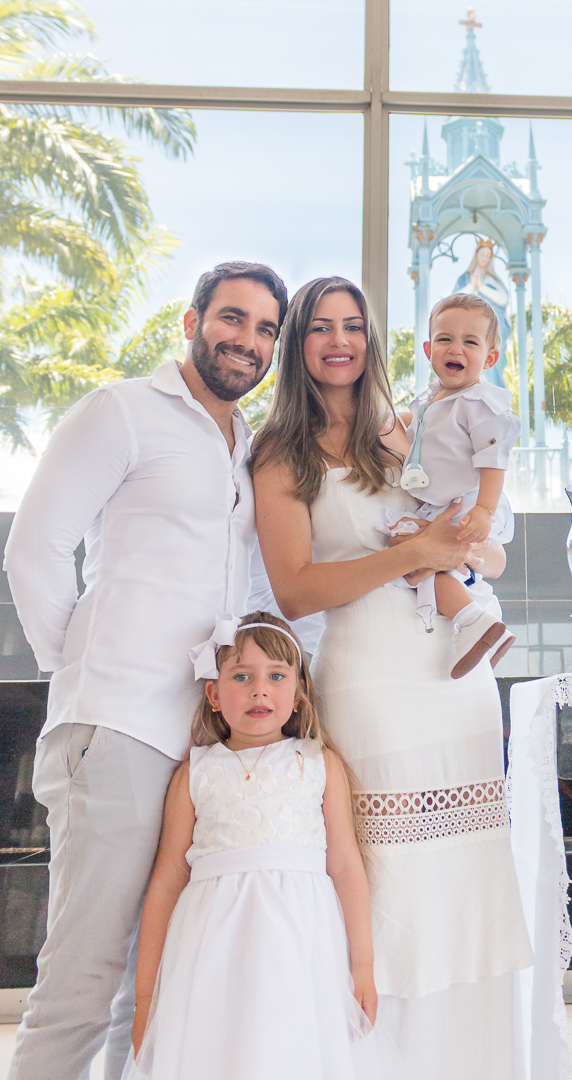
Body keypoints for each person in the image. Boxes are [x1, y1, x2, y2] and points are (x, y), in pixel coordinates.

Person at [2, 261, 288, 1080]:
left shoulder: (247, 448)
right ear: (193, 321)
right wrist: (83, 665)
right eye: (233, 319)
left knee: (155, 980)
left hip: (201, 744)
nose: (248, 341)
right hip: (119, 727)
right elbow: (37, 548)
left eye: (265, 329)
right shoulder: (122, 411)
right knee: (85, 976)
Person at [251, 276, 534, 1080]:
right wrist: (412, 555)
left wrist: (473, 547)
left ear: (373, 340)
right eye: (320, 328)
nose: (340, 341)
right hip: (370, 685)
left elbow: (490, 548)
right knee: (389, 890)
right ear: (297, 344)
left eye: (354, 326)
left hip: (456, 679)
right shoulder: (280, 454)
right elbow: (297, 588)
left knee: (463, 885)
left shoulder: (410, 428)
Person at [126, 612, 401, 1080]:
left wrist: (363, 968)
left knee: (289, 1047)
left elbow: (347, 868)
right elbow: (169, 878)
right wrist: (146, 998)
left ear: (296, 694)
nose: (260, 690)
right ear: (213, 694)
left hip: (300, 939)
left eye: (276, 676)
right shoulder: (195, 771)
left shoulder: (318, 763)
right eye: (241, 676)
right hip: (210, 941)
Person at [381, 292, 520, 678]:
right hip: (440, 503)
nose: (454, 348)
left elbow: (494, 462)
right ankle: (472, 626)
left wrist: (484, 511)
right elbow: (417, 431)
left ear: (490, 358)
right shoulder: (431, 399)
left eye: (470, 342)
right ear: (428, 349)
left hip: (466, 504)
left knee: (433, 562)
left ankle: (473, 621)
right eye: (444, 339)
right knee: (421, 562)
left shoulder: (480, 404)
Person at [453, 236, 511, 387]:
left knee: (489, 359)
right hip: (468, 327)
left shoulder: (493, 280)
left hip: (490, 327)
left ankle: (491, 388)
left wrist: (483, 287)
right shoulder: (465, 279)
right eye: (482, 254)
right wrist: (472, 286)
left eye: (488, 255)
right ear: (476, 255)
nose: (484, 258)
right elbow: (452, 300)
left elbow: (504, 299)